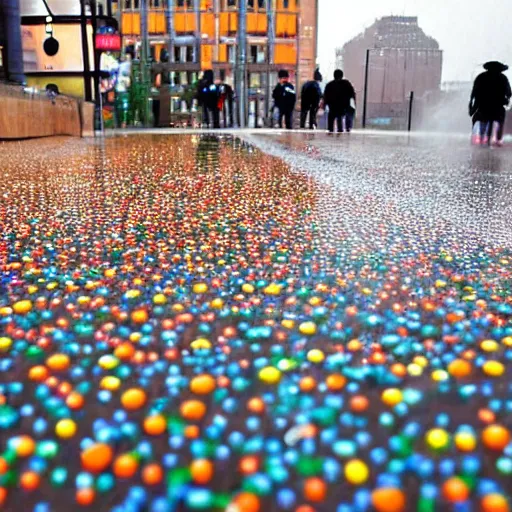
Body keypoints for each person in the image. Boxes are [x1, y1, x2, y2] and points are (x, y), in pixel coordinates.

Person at [469, 61, 511, 146]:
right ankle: (498, 138)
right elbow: (509, 93)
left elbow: (474, 92)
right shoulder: (503, 78)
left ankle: (481, 137)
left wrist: (472, 106)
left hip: (483, 105)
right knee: (500, 119)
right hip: (497, 105)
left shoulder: (481, 77)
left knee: (480, 119)